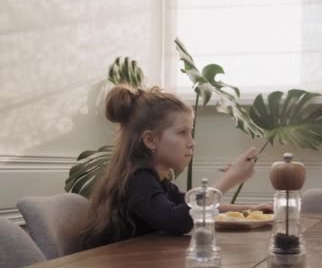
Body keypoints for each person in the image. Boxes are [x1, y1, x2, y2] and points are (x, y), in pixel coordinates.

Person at [81, 85, 271, 250]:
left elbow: (190, 205)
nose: (192, 143)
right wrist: (230, 179)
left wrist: (252, 209)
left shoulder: (157, 179)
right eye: (182, 133)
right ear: (150, 140)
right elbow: (177, 221)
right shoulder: (136, 179)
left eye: (191, 133)